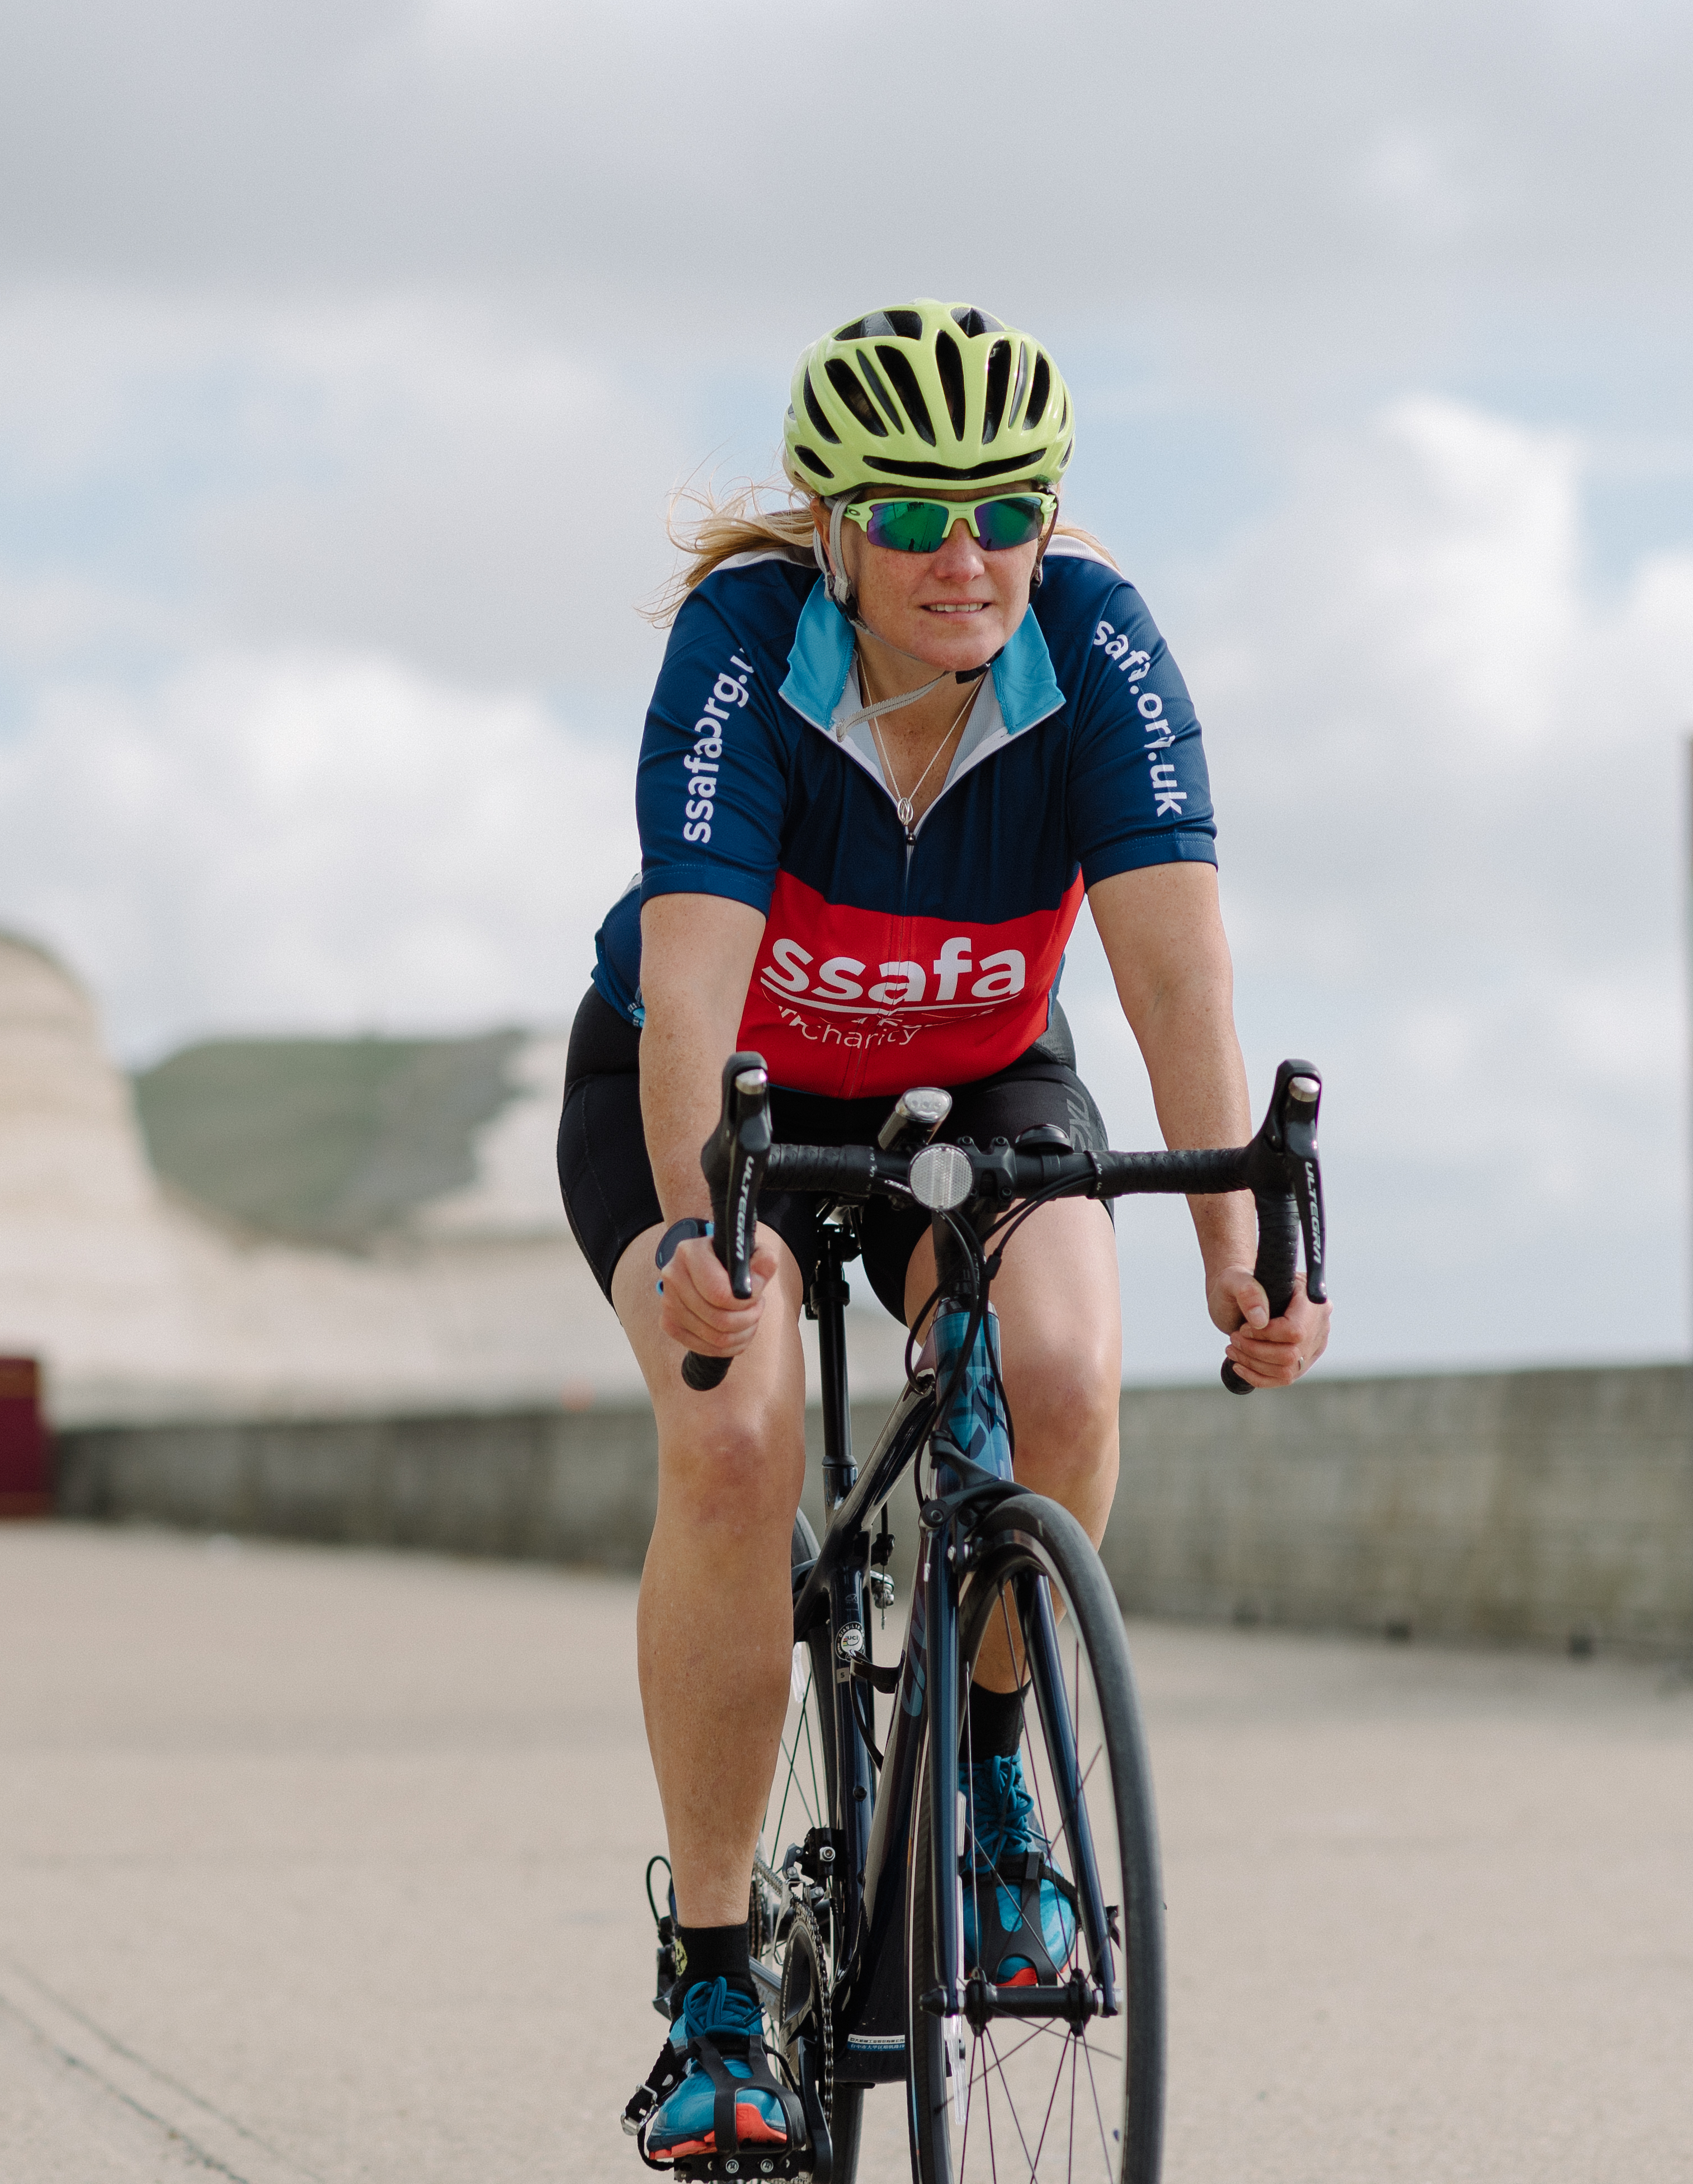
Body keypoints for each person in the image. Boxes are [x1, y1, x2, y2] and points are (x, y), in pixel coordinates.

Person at [555, 300, 1329, 2164]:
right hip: (714, 1081)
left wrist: (1238, 1243)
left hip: (980, 1083)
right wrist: (692, 1228)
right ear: (833, 521)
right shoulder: (747, 652)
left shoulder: (1098, 652)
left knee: (1058, 1378)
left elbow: (1175, 969)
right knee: (735, 1444)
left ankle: (991, 1783)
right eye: (910, 515)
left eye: (1005, 509)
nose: (961, 556)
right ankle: (722, 1986)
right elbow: (690, 974)